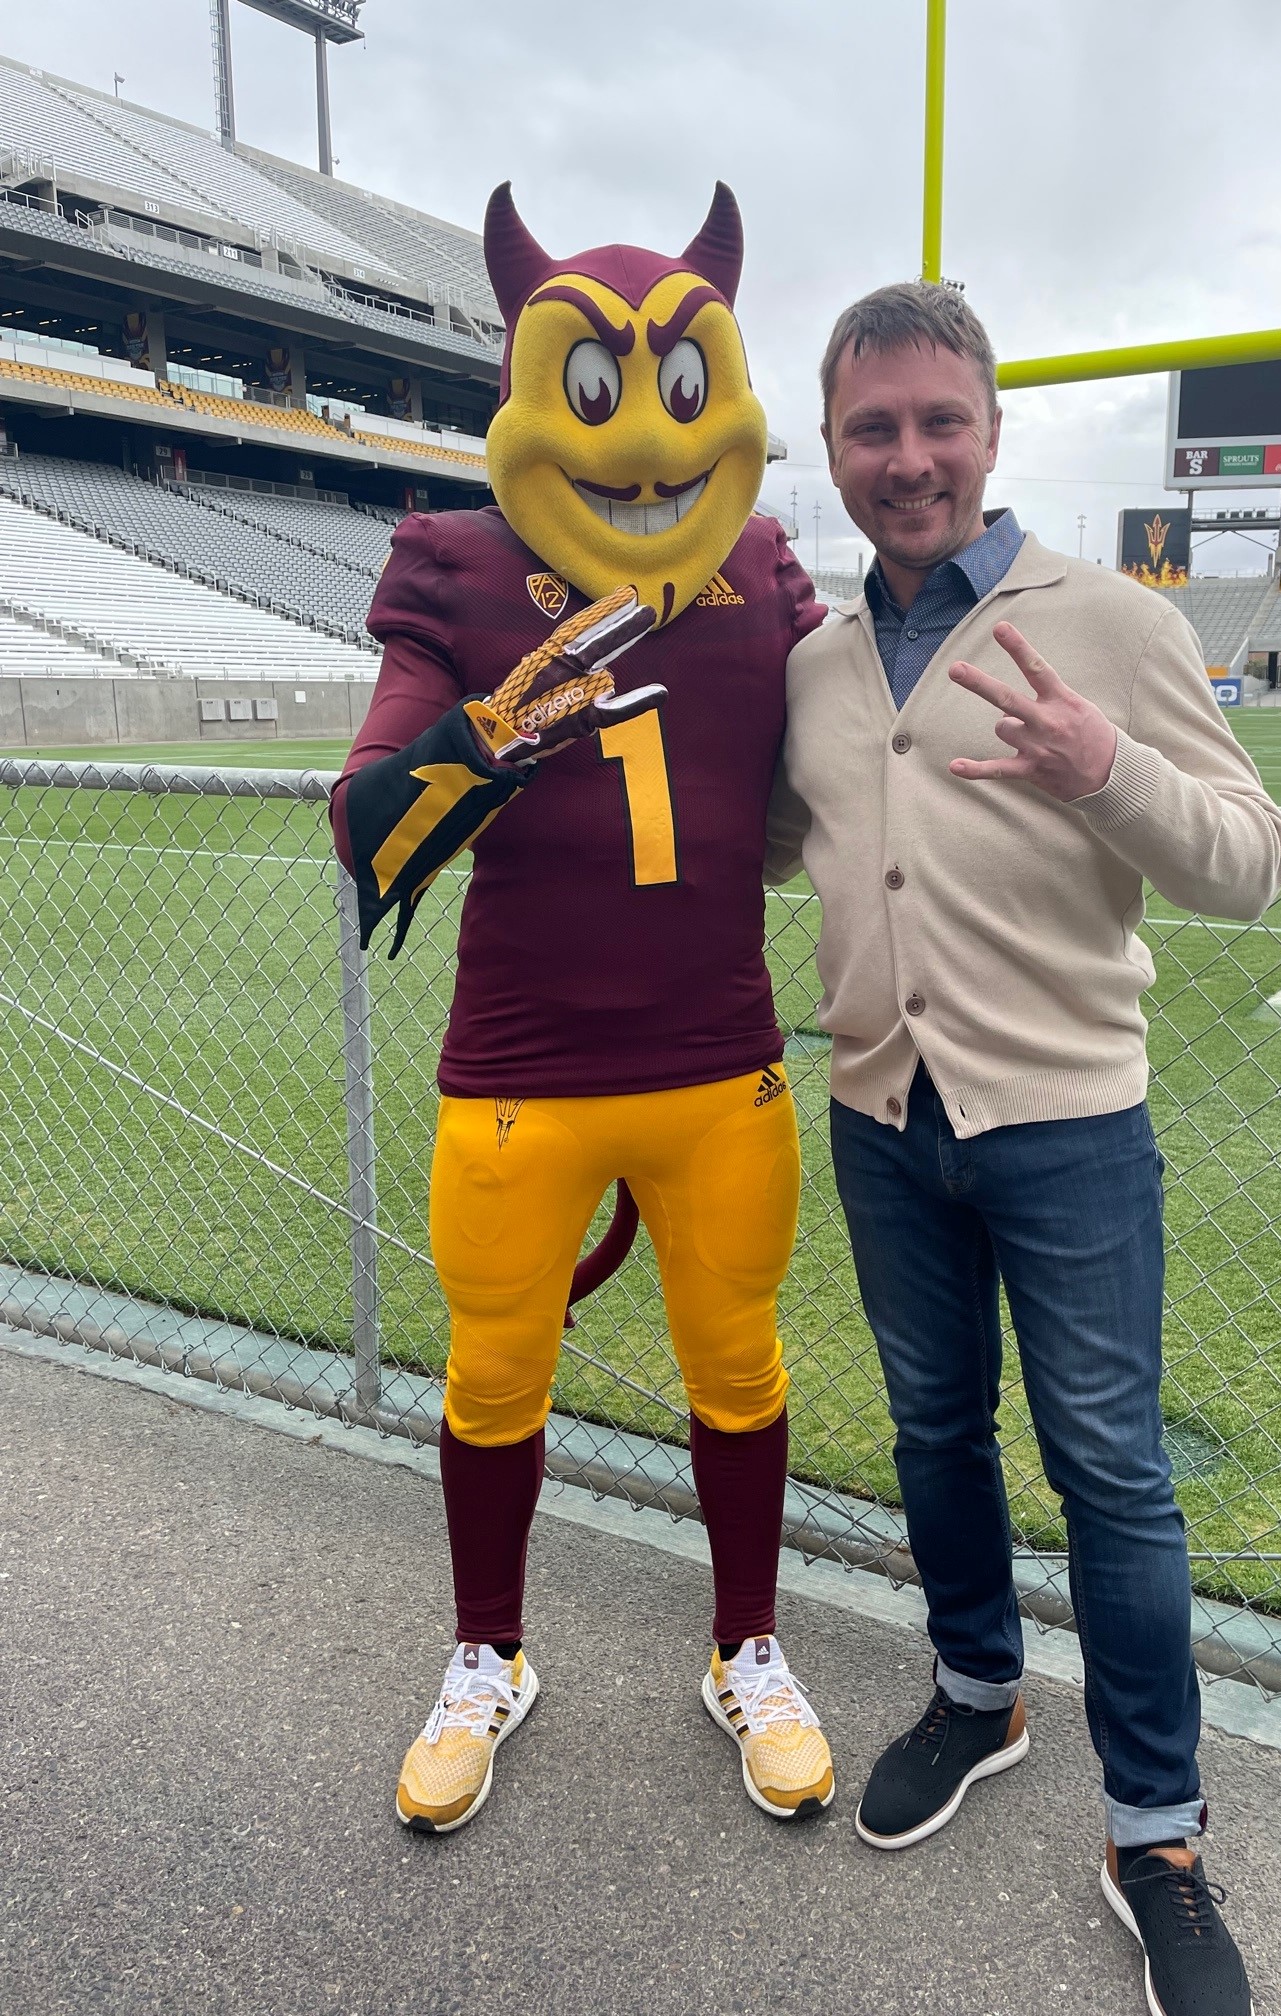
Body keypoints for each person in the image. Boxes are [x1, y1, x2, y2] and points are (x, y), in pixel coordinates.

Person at [767, 281, 1281, 2016]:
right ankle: (978, 1694)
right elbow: (780, 842)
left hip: (1069, 1130)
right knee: (934, 1430)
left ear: (992, 432)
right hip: (880, 1119)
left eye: (940, 421)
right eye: (873, 428)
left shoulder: (1113, 623)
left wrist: (1104, 766)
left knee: (1113, 1478)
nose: (908, 457)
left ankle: (1158, 1838)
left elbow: (1252, 861)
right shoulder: (816, 663)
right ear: (831, 445)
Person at [333, 182, 834, 1836]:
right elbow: (364, 824)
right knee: (493, 1380)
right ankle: (488, 1655)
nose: (643, 444)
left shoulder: (760, 563)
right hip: (523, 1073)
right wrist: (489, 733)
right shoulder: (460, 562)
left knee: (738, 1366)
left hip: (716, 1063)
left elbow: (861, 742)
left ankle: (747, 1647)